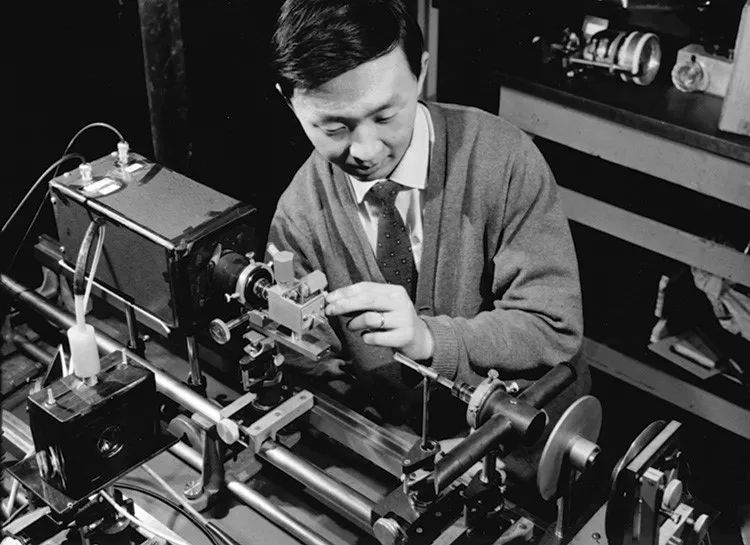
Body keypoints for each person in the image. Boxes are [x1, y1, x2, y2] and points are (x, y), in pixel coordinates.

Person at [268, 0, 589, 457]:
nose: (366, 150)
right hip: (393, 455)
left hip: (521, 446)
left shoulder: (503, 160)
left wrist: (430, 339)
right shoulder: (298, 216)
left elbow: (552, 328)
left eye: (385, 116)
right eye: (334, 128)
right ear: (290, 101)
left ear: (420, 72)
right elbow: (307, 369)